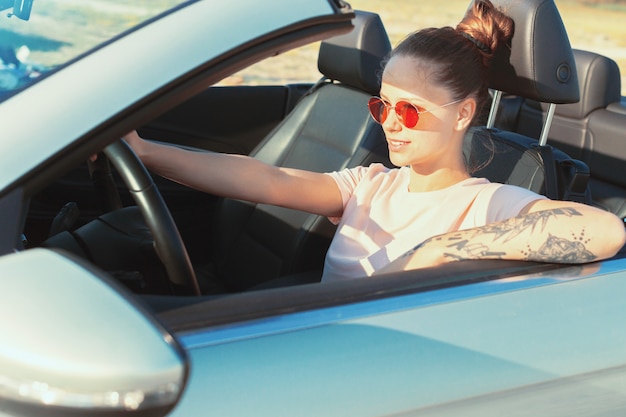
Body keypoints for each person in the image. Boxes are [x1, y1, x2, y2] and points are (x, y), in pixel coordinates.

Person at [121, 0, 625, 283]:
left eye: (408, 109)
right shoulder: (370, 184)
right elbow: (263, 178)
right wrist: (146, 153)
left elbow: (605, 232)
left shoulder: (486, 201)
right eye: (381, 105)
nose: (390, 122)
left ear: (463, 114)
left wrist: (440, 249)